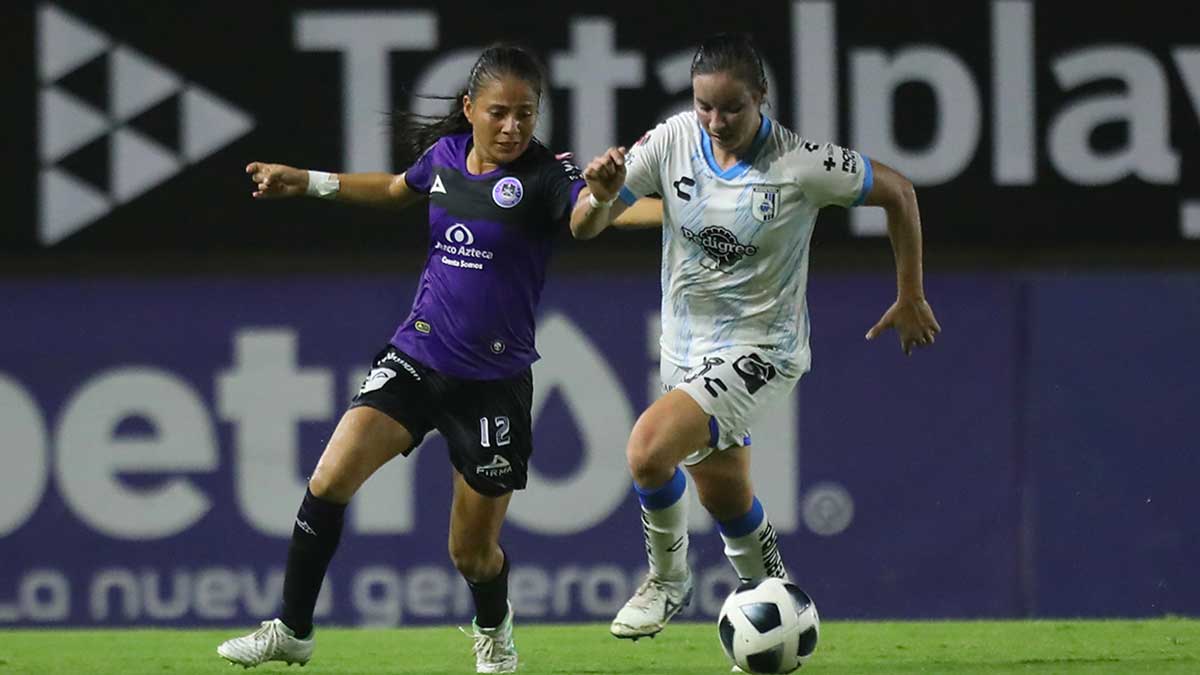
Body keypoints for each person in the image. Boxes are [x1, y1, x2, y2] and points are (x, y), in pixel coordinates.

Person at [216, 44, 656, 674]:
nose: (512, 127)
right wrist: (305, 182)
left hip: (493, 385)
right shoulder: (445, 158)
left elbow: (585, 223)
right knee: (328, 480)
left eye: (525, 114)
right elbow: (398, 190)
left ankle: (494, 633)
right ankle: (292, 630)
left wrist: (606, 196)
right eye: (499, 112)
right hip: (417, 357)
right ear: (468, 108)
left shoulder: (545, 178)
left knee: (471, 555)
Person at [570, 33, 941, 641]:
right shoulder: (670, 143)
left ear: (761, 97)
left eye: (732, 108)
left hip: (762, 350)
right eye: (704, 106)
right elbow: (584, 226)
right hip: (684, 350)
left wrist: (910, 293)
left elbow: (899, 191)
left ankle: (667, 581)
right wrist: (604, 197)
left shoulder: (801, 166)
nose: (715, 121)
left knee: (647, 449)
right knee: (725, 494)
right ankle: (773, 591)